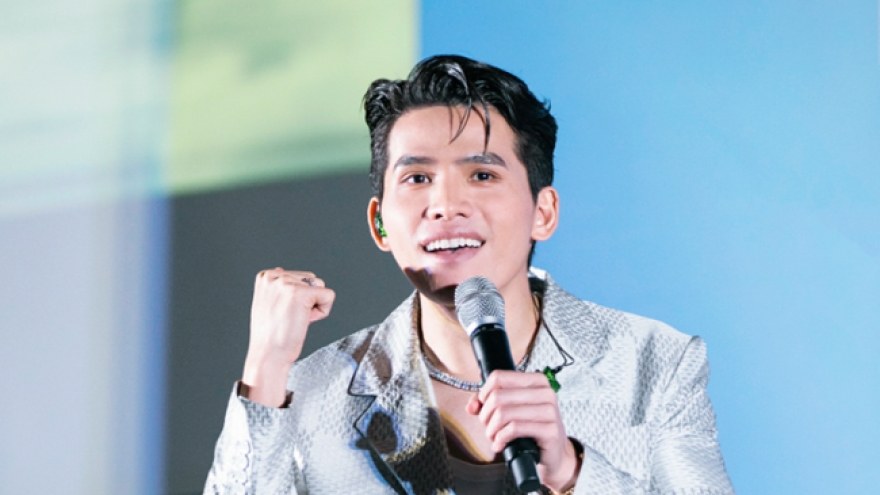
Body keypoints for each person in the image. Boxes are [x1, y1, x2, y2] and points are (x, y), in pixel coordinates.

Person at [204, 55, 735, 495]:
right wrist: (265, 369)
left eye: (481, 174)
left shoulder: (654, 364)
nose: (445, 204)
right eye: (417, 178)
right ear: (380, 223)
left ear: (543, 212)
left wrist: (572, 472)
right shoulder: (310, 392)